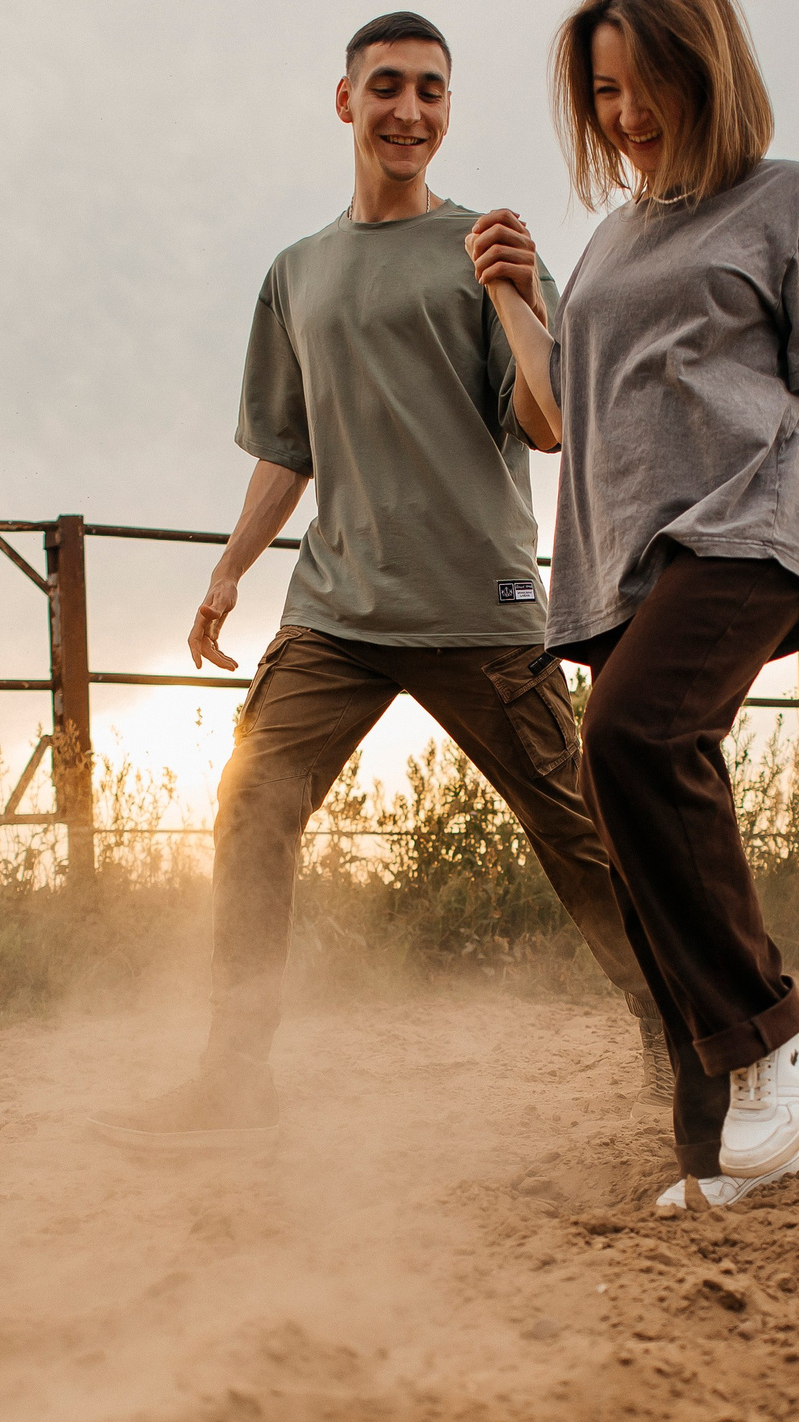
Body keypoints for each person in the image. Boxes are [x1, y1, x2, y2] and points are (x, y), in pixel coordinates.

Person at [92, 10, 665, 1144]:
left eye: (434, 92)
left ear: (447, 112)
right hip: (336, 610)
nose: (412, 110)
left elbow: (551, 426)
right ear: (346, 100)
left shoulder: (488, 246)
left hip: (479, 605)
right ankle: (235, 1079)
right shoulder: (295, 274)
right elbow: (288, 445)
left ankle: (672, 1019)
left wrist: (513, 295)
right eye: (390, 86)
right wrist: (227, 573)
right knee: (252, 803)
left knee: (579, 834)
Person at [469, 0, 799, 1208]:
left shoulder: (782, 199)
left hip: (746, 522)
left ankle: (774, 1030)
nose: (625, 117)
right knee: (632, 823)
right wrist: (518, 300)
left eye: (643, 86)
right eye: (603, 96)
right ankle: (719, 1158)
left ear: (704, 69)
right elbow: (558, 416)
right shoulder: (612, 242)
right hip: (626, 555)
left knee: (636, 736)